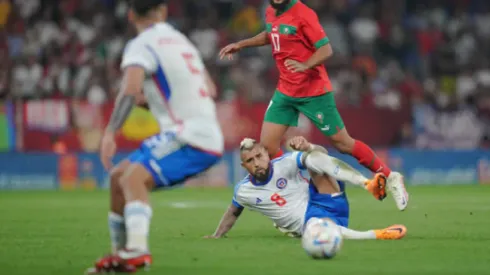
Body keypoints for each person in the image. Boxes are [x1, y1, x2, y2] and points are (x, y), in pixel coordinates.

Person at [219, 0, 409, 211]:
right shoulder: (271, 11)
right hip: (285, 91)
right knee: (267, 149)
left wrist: (305, 65)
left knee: (343, 143)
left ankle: (391, 177)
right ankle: (293, 196)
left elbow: (326, 49)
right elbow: (271, 35)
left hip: (313, 91)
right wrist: (242, 44)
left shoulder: (303, 13)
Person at [86, 0, 223, 273]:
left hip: (190, 135)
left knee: (133, 177)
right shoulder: (182, 41)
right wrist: (157, 103)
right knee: (118, 178)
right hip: (202, 131)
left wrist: (111, 132)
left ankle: (136, 250)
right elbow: (210, 88)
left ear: (130, 15)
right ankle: (121, 256)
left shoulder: (142, 44)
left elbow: (130, 89)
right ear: (162, 11)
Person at [204, 137, 407, 240]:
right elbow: (233, 212)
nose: (257, 163)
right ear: (244, 166)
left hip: (326, 198)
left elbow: (322, 156)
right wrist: (217, 235)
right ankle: (377, 234)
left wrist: (308, 146)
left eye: (259, 156)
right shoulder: (243, 190)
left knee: (312, 158)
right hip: (311, 222)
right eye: (250, 160)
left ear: (266, 154)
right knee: (315, 227)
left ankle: (367, 184)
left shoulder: (285, 162)